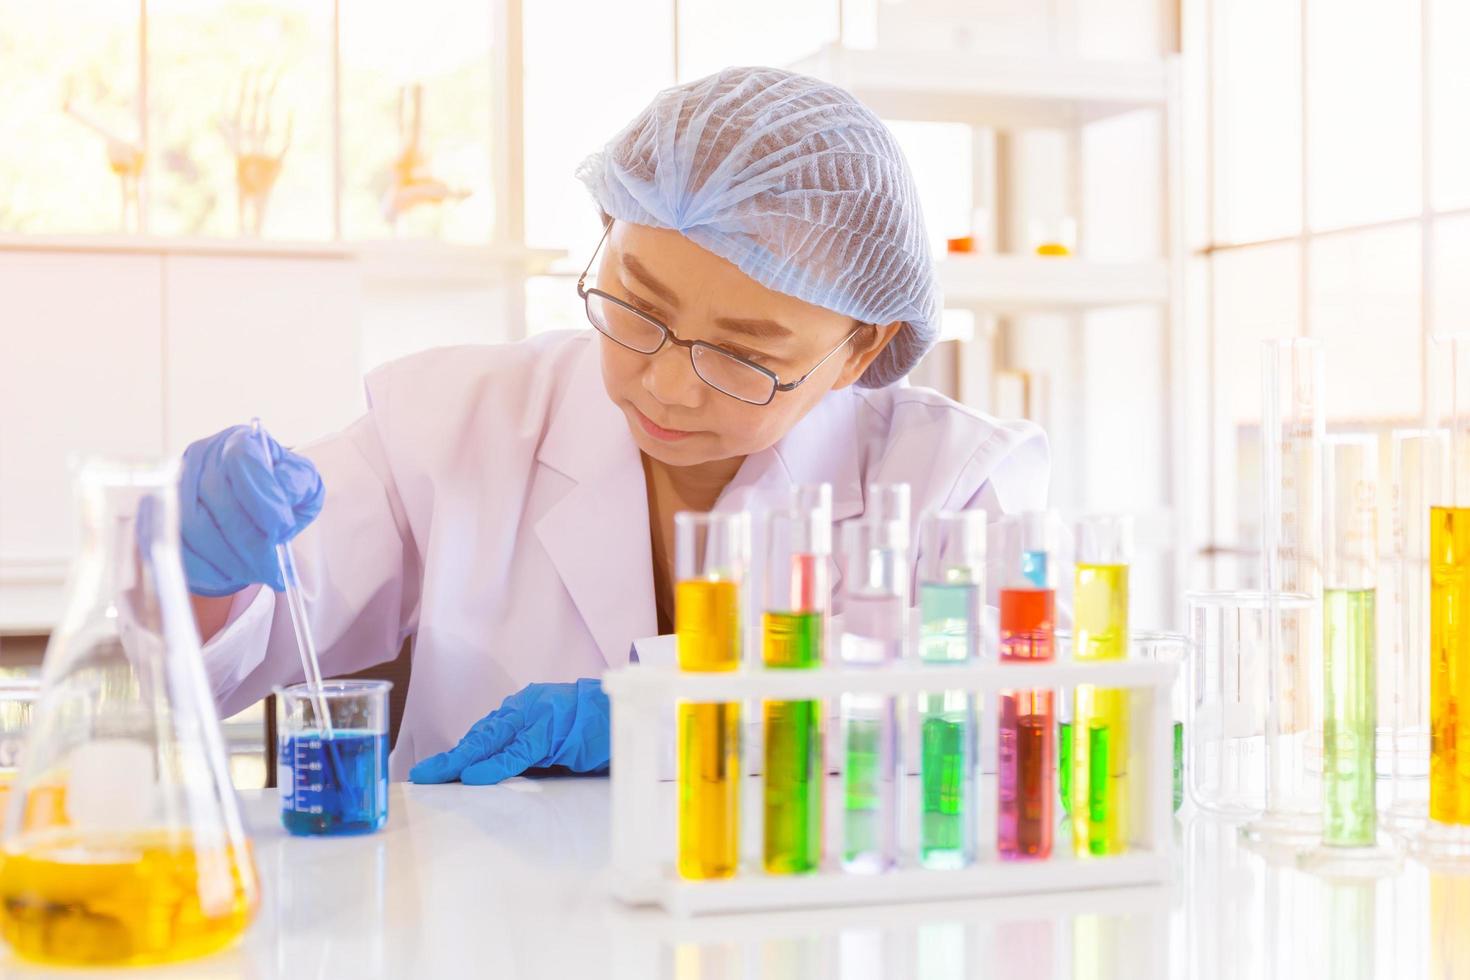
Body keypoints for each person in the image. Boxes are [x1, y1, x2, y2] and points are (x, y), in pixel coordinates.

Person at [183, 66, 1048, 785]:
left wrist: (670, 721)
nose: (667, 385)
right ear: (607, 232)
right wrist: (203, 574)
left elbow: (1002, 753)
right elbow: (219, 652)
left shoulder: (953, 485)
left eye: (743, 353)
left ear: (864, 349)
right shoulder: (455, 421)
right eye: (637, 307)